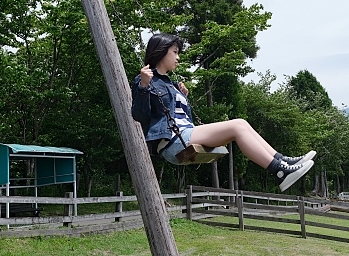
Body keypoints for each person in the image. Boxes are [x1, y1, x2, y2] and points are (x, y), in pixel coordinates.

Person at [131, 33, 315, 191]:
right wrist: (144, 86)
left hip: (185, 134)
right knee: (237, 126)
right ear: (161, 50)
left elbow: (179, 116)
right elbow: (139, 115)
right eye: (175, 52)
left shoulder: (172, 84)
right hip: (173, 142)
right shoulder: (145, 80)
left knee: (241, 123)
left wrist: (183, 97)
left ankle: (283, 163)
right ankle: (279, 171)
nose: (178, 57)